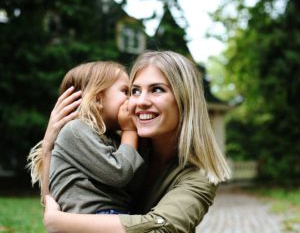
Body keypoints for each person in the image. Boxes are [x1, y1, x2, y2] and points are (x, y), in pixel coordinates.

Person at [41, 51, 231, 232]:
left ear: (184, 100)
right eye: (134, 91)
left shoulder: (199, 175)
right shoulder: (124, 142)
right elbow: (58, 197)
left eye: (157, 90)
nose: (140, 101)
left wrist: (60, 222)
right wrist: (49, 144)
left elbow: (164, 228)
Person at [27, 61, 144, 214]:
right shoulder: (76, 130)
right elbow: (119, 174)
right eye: (125, 91)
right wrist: (130, 132)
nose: (132, 99)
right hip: (96, 218)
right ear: (97, 99)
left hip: (113, 216)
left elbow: (135, 184)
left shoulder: (113, 138)